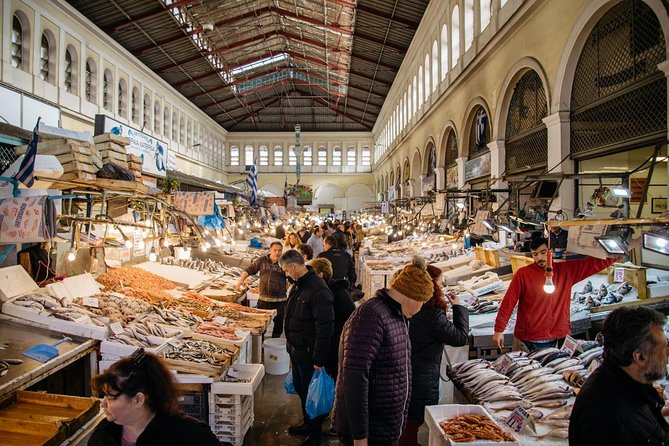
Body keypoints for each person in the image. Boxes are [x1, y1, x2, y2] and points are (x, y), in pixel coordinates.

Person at [334, 257, 434, 446]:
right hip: (370, 432)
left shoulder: (396, 315)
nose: (420, 309)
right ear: (412, 296)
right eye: (422, 302)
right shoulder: (371, 316)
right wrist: (360, 437)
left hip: (384, 428)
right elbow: (354, 378)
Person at [492, 237, 618, 352]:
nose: (539, 258)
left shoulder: (566, 271)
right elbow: (508, 302)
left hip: (559, 337)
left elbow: (594, 264)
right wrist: (499, 330)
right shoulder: (523, 274)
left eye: (543, 252)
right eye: (535, 254)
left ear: (550, 251)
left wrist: (619, 252)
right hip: (528, 339)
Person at [569, 307, 669, 445]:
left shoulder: (623, 379)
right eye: (664, 348)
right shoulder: (606, 418)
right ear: (640, 357)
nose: (668, 354)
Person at [399, 264, 469, 446]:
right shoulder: (432, 314)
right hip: (420, 378)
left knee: (407, 423)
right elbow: (459, 337)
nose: (442, 287)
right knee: (411, 424)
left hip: (405, 374)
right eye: (439, 284)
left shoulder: (407, 305)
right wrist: (459, 307)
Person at [88, 349, 220, 446]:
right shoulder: (104, 433)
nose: (103, 404)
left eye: (111, 398)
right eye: (104, 396)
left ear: (138, 400)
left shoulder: (188, 435)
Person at [280, 250, 335, 446]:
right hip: (296, 351)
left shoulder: (318, 290)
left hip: (309, 355)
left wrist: (319, 359)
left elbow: (326, 326)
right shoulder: (298, 286)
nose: (286, 274)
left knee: (312, 396)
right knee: (303, 391)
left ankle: (315, 435)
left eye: (286, 270)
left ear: (294, 267)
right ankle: (307, 423)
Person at [309, 257, 355, 382]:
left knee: (334, 378)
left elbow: (351, 318)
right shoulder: (327, 291)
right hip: (330, 343)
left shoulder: (338, 293)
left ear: (320, 274)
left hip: (337, 344)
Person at [236, 241, 287, 338]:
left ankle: (274, 342)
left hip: (280, 301)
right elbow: (249, 270)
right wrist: (240, 281)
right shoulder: (262, 261)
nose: (277, 252)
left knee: (278, 325)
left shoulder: (284, 263)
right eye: (275, 250)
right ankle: (260, 345)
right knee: (261, 324)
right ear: (270, 250)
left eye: (280, 250)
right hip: (264, 300)